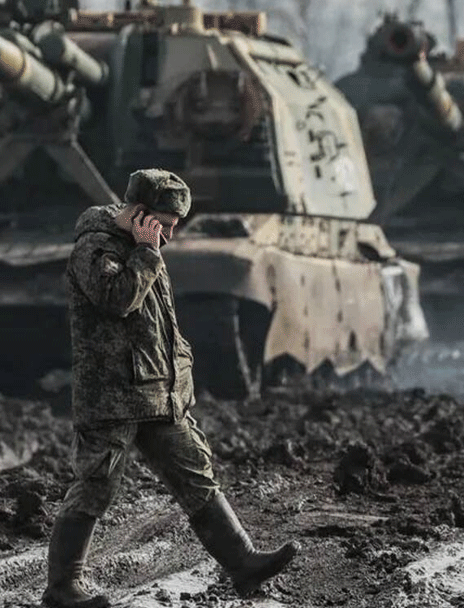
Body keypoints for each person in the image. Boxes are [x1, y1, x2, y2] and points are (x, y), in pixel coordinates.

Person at [42, 168, 298, 608]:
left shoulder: (145, 247)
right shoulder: (96, 247)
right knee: (96, 484)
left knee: (194, 473)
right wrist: (145, 252)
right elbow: (117, 299)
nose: (171, 234)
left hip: (157, 394)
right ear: (140, 214)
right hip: (112, 397)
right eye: (165, 223)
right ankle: (62, 588)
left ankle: (242, 562)